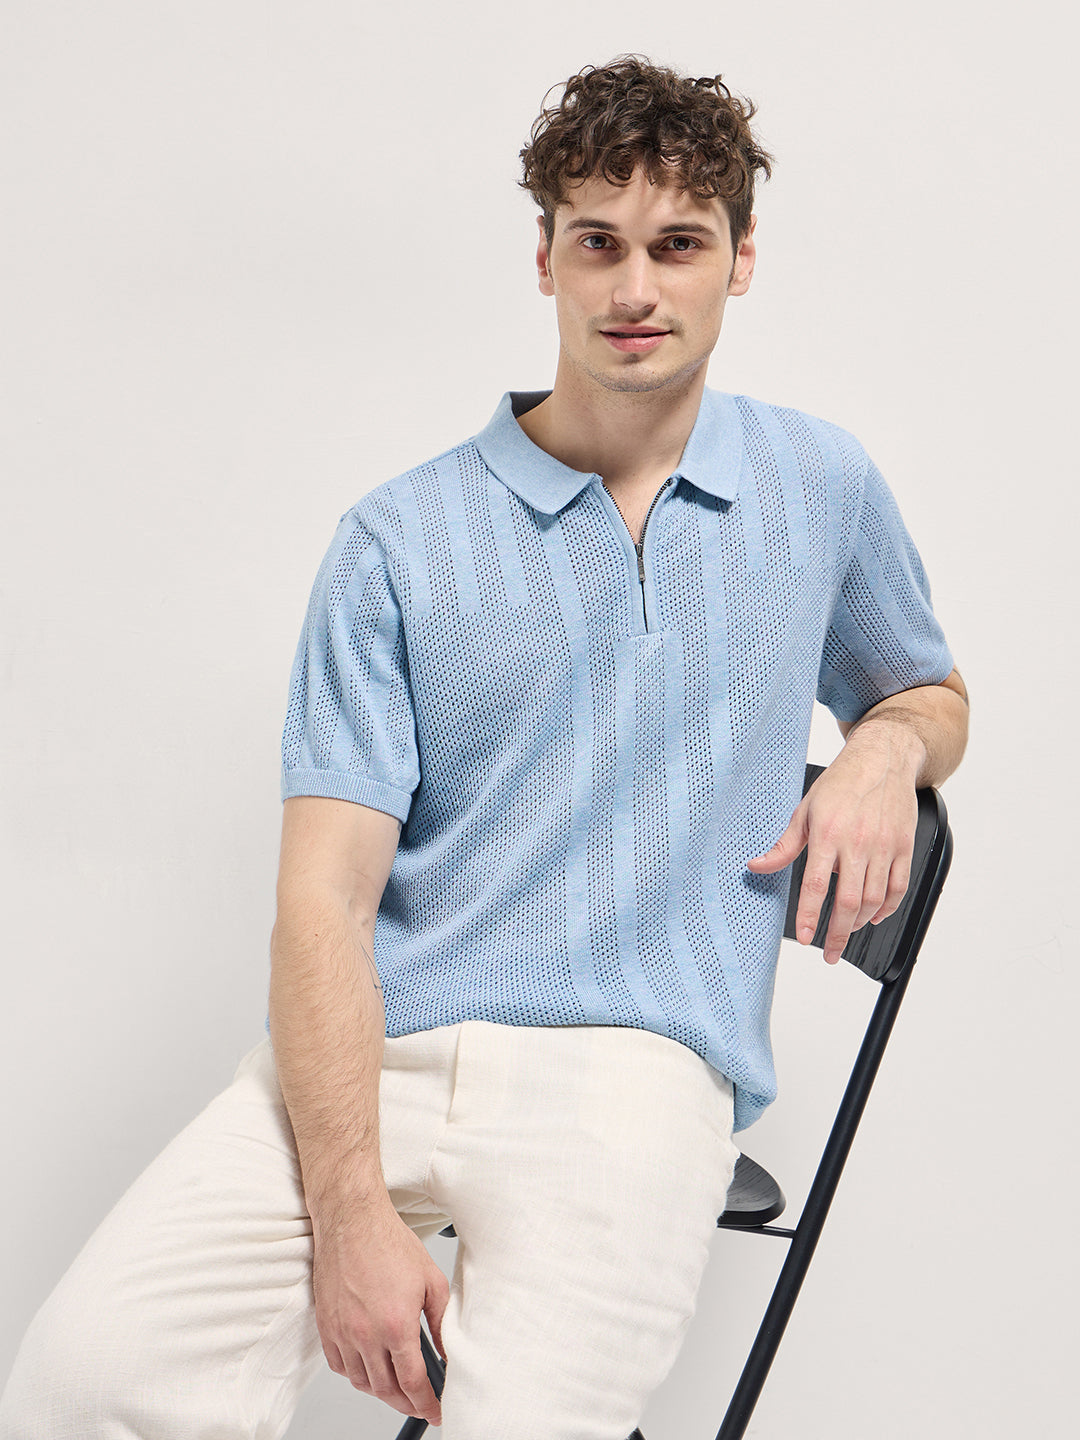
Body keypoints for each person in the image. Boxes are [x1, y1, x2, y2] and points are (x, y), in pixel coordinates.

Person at [0, 54, 968, 1440]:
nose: (635, 288)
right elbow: (322, 903)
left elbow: (930, 691)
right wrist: (348, 1214)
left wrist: (884, 752)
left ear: (741, 261)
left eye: (679, 245)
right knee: (81, 1384)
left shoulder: (818, 487)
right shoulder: (397, 542)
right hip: (383, 1048)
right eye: (600, 243)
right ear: (546, 259)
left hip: (639, 1067)